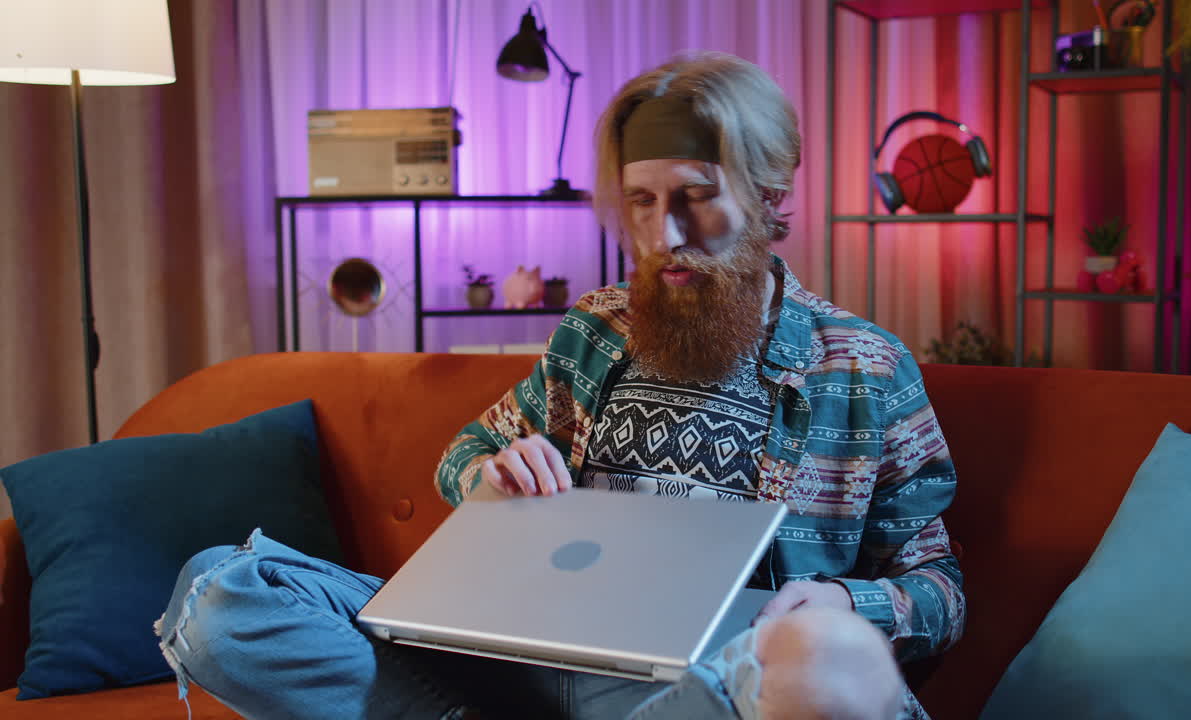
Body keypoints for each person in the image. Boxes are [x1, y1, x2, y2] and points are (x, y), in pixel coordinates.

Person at [158, 51, 964, 720]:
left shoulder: (865, 367)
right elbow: (467, 454)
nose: (664, 235)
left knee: (828, 662)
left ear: (769, 194)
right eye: (642, 202)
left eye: (695, 198)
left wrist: (844, 605)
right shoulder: (596, 330)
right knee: (222, 594)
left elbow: (938, 589)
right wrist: (489, 476)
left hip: (709, 691)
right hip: (532, 664)